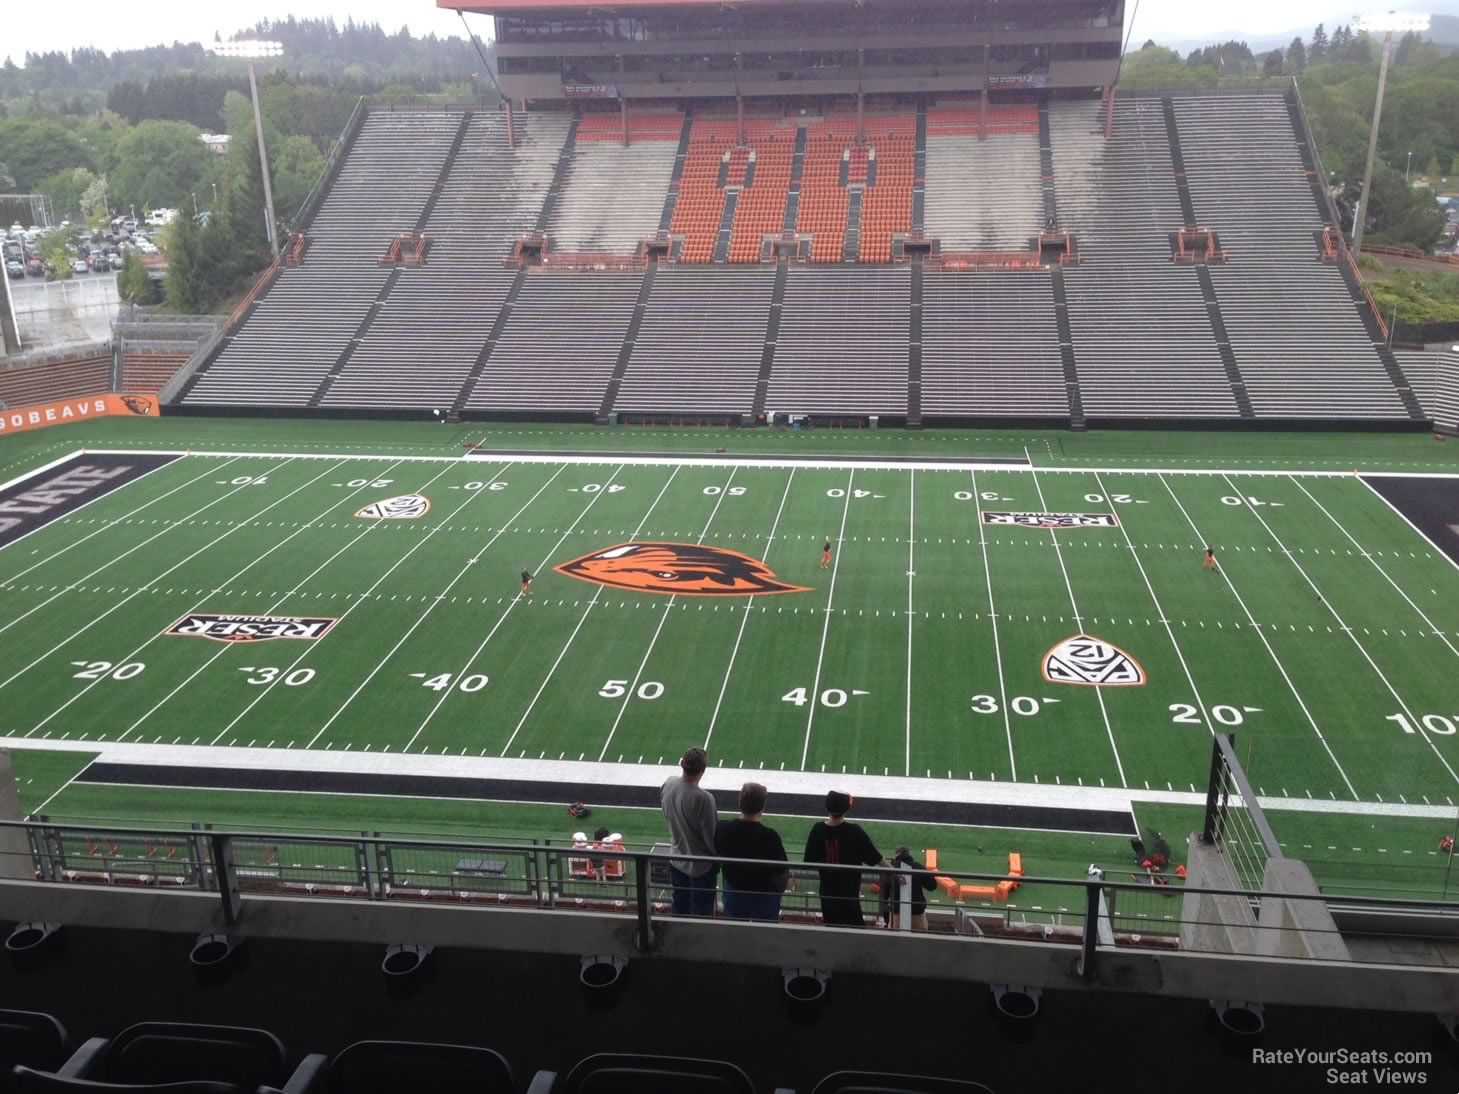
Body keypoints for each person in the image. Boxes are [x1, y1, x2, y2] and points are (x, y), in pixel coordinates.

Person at [803, 791, 889, 928]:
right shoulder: (854, 831)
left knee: (832, 928)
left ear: (827, 807)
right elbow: (876, 857)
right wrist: (897, 872)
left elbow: (808, 862)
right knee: (855, 930)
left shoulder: (817, 829)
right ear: (846, 809)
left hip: (827, 893)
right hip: (849, 894)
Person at [714, 782, 789, 922]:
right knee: (764, 935)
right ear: (762, 807)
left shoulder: (722, 828)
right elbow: (781, 869)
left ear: (740, 801)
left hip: (734, 891)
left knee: (735, 931)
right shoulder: (769, 836)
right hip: (763, 896)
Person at [660, 747, 719, 916]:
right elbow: (711, 838)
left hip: (676, 859)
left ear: (682, 764)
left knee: (679, 903)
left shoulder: (669, 783)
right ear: (703, 770)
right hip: (700, 866)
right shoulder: (704, 798)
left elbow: (665, 811)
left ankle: (678, 938)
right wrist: (717, 859)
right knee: (701, 911)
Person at [888, 846, 938, 931]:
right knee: (918, 938)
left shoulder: (891, 868)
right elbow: (932, 886)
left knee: (895, 939)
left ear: (896, 855)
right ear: (908, 854)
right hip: (917, 910)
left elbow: (884, 893)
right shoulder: (918, 867)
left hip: (897, 911)